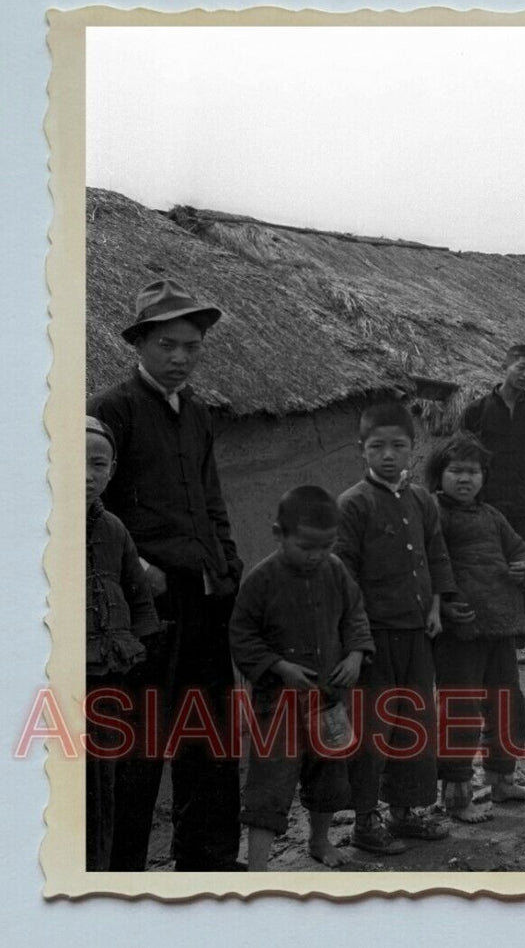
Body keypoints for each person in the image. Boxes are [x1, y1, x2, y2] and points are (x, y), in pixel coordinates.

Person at [87, 279, 244, 871]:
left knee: (210, 734)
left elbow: (212, 500)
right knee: (143, 739)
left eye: (192, 346)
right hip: (147, 604)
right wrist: (137, 569)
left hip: (205, 597)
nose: (180, 358)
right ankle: (123, 874)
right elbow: (91, 503)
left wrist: (227, 565)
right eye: (168, 345)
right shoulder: (111, 410)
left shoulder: (198, 414)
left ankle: (208, 863)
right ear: (139, 344)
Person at [228, 486, 373, 871]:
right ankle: (258, 866)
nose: (316, 556)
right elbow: (241, 635)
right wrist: (278, 667)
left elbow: (355, 614)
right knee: (270, 783)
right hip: (277, 704)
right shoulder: (261, 580)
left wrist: (356, 654)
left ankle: (319, 839)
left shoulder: (335, 571)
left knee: (329, 773)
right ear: (279, 534)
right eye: (306, 547)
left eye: (326, 546)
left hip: (327, 697)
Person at [336, 401, 456, 855]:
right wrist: (358, 637)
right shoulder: (353, 504)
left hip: (417, 632)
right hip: (375, 638)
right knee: (373, 728)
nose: (389, 455)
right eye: (377, 446)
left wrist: (437, 606)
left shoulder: (422, 500)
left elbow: (436, 555)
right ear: (361, 450)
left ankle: (404, 812)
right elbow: (343, 576)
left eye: (398, 446)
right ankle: (365, 820)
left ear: (414, 448)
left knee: (415, 722)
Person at [425, 432, 525, 821]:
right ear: (438, 475)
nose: (465, 479)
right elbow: (427, 565)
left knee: (509, 706)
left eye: (473, 471)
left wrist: (524, 567)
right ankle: (457, 793)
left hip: (499, 625)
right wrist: (441, 604)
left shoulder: (492, 516)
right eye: (456, 471)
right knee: (460, 710)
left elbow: (520, 549)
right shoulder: (434, 515)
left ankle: (502, 779)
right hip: (460, 630)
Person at [84, 416, 163, 872]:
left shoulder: (113, 530)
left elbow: (139, 597)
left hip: (109, 681)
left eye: (99, 464)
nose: (87, 474)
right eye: (77, 462)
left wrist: (143, 655)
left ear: (112, 470)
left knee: (102, 787)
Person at [459, 344, 525, 664]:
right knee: (485, 567)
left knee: (520, 567)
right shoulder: (478, 410)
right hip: (485, 501)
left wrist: (523, 489)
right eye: (521, 367)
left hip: (519, 503)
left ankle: (518, 639)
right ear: (504, 365)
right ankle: (484, 633)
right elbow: (463, 455)